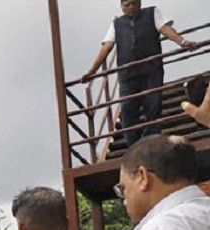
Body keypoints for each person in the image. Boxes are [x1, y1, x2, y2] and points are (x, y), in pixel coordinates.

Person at [82, 1, 197, 145]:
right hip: (127, 74)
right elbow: (107, 46)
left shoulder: (152, 13)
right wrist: (92, 71)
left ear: (139, 3)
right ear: (122, 8)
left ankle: (150, 142)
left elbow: (165, 29)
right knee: (128, 111)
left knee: (153, 108)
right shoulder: (116, 24)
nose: (130, 7)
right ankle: (134, 146)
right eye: (127, 5)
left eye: (133, 3)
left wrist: (183, 42)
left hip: (151, 70)